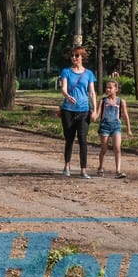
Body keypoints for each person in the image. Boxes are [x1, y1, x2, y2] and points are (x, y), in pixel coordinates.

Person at [59, 46, 98, 178]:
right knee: (69, 139)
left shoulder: (89, 74)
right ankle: (67, 166)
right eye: (72, 56)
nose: (74, 58)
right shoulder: (66, 72)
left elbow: (92, 92)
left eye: (77, 56)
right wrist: (67, 96)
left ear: (82, 58)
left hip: (84, 111)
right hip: (68, 111)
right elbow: (63, 88)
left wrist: (95, 109)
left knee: (83, 140)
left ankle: (83, 169)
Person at [96, 80, 132, 178]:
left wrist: (129, 129)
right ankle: (100, 167)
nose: (108, 89)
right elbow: (97, 114)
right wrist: (93, 116)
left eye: (110, 88)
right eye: (106, 87)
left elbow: (125, 115)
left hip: (116, 126)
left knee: (117, 148)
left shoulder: (121, 101)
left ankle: (118, 171)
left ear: (116, 89)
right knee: (104, 149)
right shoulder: (103, 101)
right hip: (104, 127)